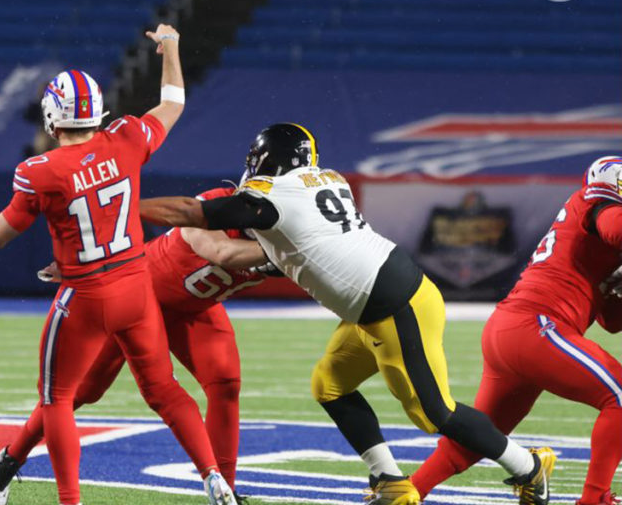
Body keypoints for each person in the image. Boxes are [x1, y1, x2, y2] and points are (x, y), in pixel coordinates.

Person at [138, 123, 556, 505]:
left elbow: (193, 213)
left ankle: (529, 467)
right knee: (330, 384)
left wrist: (126, 204)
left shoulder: (274, 197)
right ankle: (389, 480)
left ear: (267, 161)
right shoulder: (326, 179)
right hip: (378, 299)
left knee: (434, 413)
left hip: (396, 305)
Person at [0, 24, 239, 505]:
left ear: (52, 118)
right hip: (136, 288)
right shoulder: (127, 137)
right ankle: (214, 478)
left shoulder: (38, 171)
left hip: (85, 298)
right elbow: (172, 103)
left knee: (58, 398)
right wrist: (171, 46)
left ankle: (70, 499)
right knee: (166, 390)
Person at [0, 187, 271, 504]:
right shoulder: (219, 205)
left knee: (225, 384)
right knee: (82, 392)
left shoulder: (292, 231)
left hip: (195, 309)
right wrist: (284, 255)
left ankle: (225, 490)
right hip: (140, 295)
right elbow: (223, 253)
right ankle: (11, 458)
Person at [411, 156, 622, 505]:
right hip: (536, 326)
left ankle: (408, 490)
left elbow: (611, 322)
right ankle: (595, 499)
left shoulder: (599, 242)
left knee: (479, 438)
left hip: (514, 331)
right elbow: (614, 226)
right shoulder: (597, 205)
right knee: (619, 396)